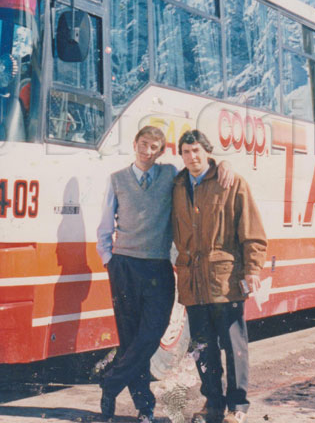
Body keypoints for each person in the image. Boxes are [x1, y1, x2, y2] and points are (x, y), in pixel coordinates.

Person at [96, 125, 233, 422]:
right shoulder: (117, 179)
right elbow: (105, 225)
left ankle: (111, 383)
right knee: (131, 340)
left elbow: (199, 167)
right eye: (144, 145)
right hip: (124, 267)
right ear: (135, 144)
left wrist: (223, 163)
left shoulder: (170, 175)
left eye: (155, 147)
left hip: (157, 266)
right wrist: (109, 260)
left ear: (161, 151)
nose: (148, 152)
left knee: (152, 334)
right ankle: (144, 410)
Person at [171, 129, 267, 423]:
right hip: (193, 282)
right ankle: (212, 404)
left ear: (208, 152)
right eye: (186, 152)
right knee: (202, 347)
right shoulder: (176, 186)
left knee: (233, 345)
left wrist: (252, 268)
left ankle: (237, 408)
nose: (192, 157)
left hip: (225, 280)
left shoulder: (231, 182)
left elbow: (251, 230)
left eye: (197, 151)